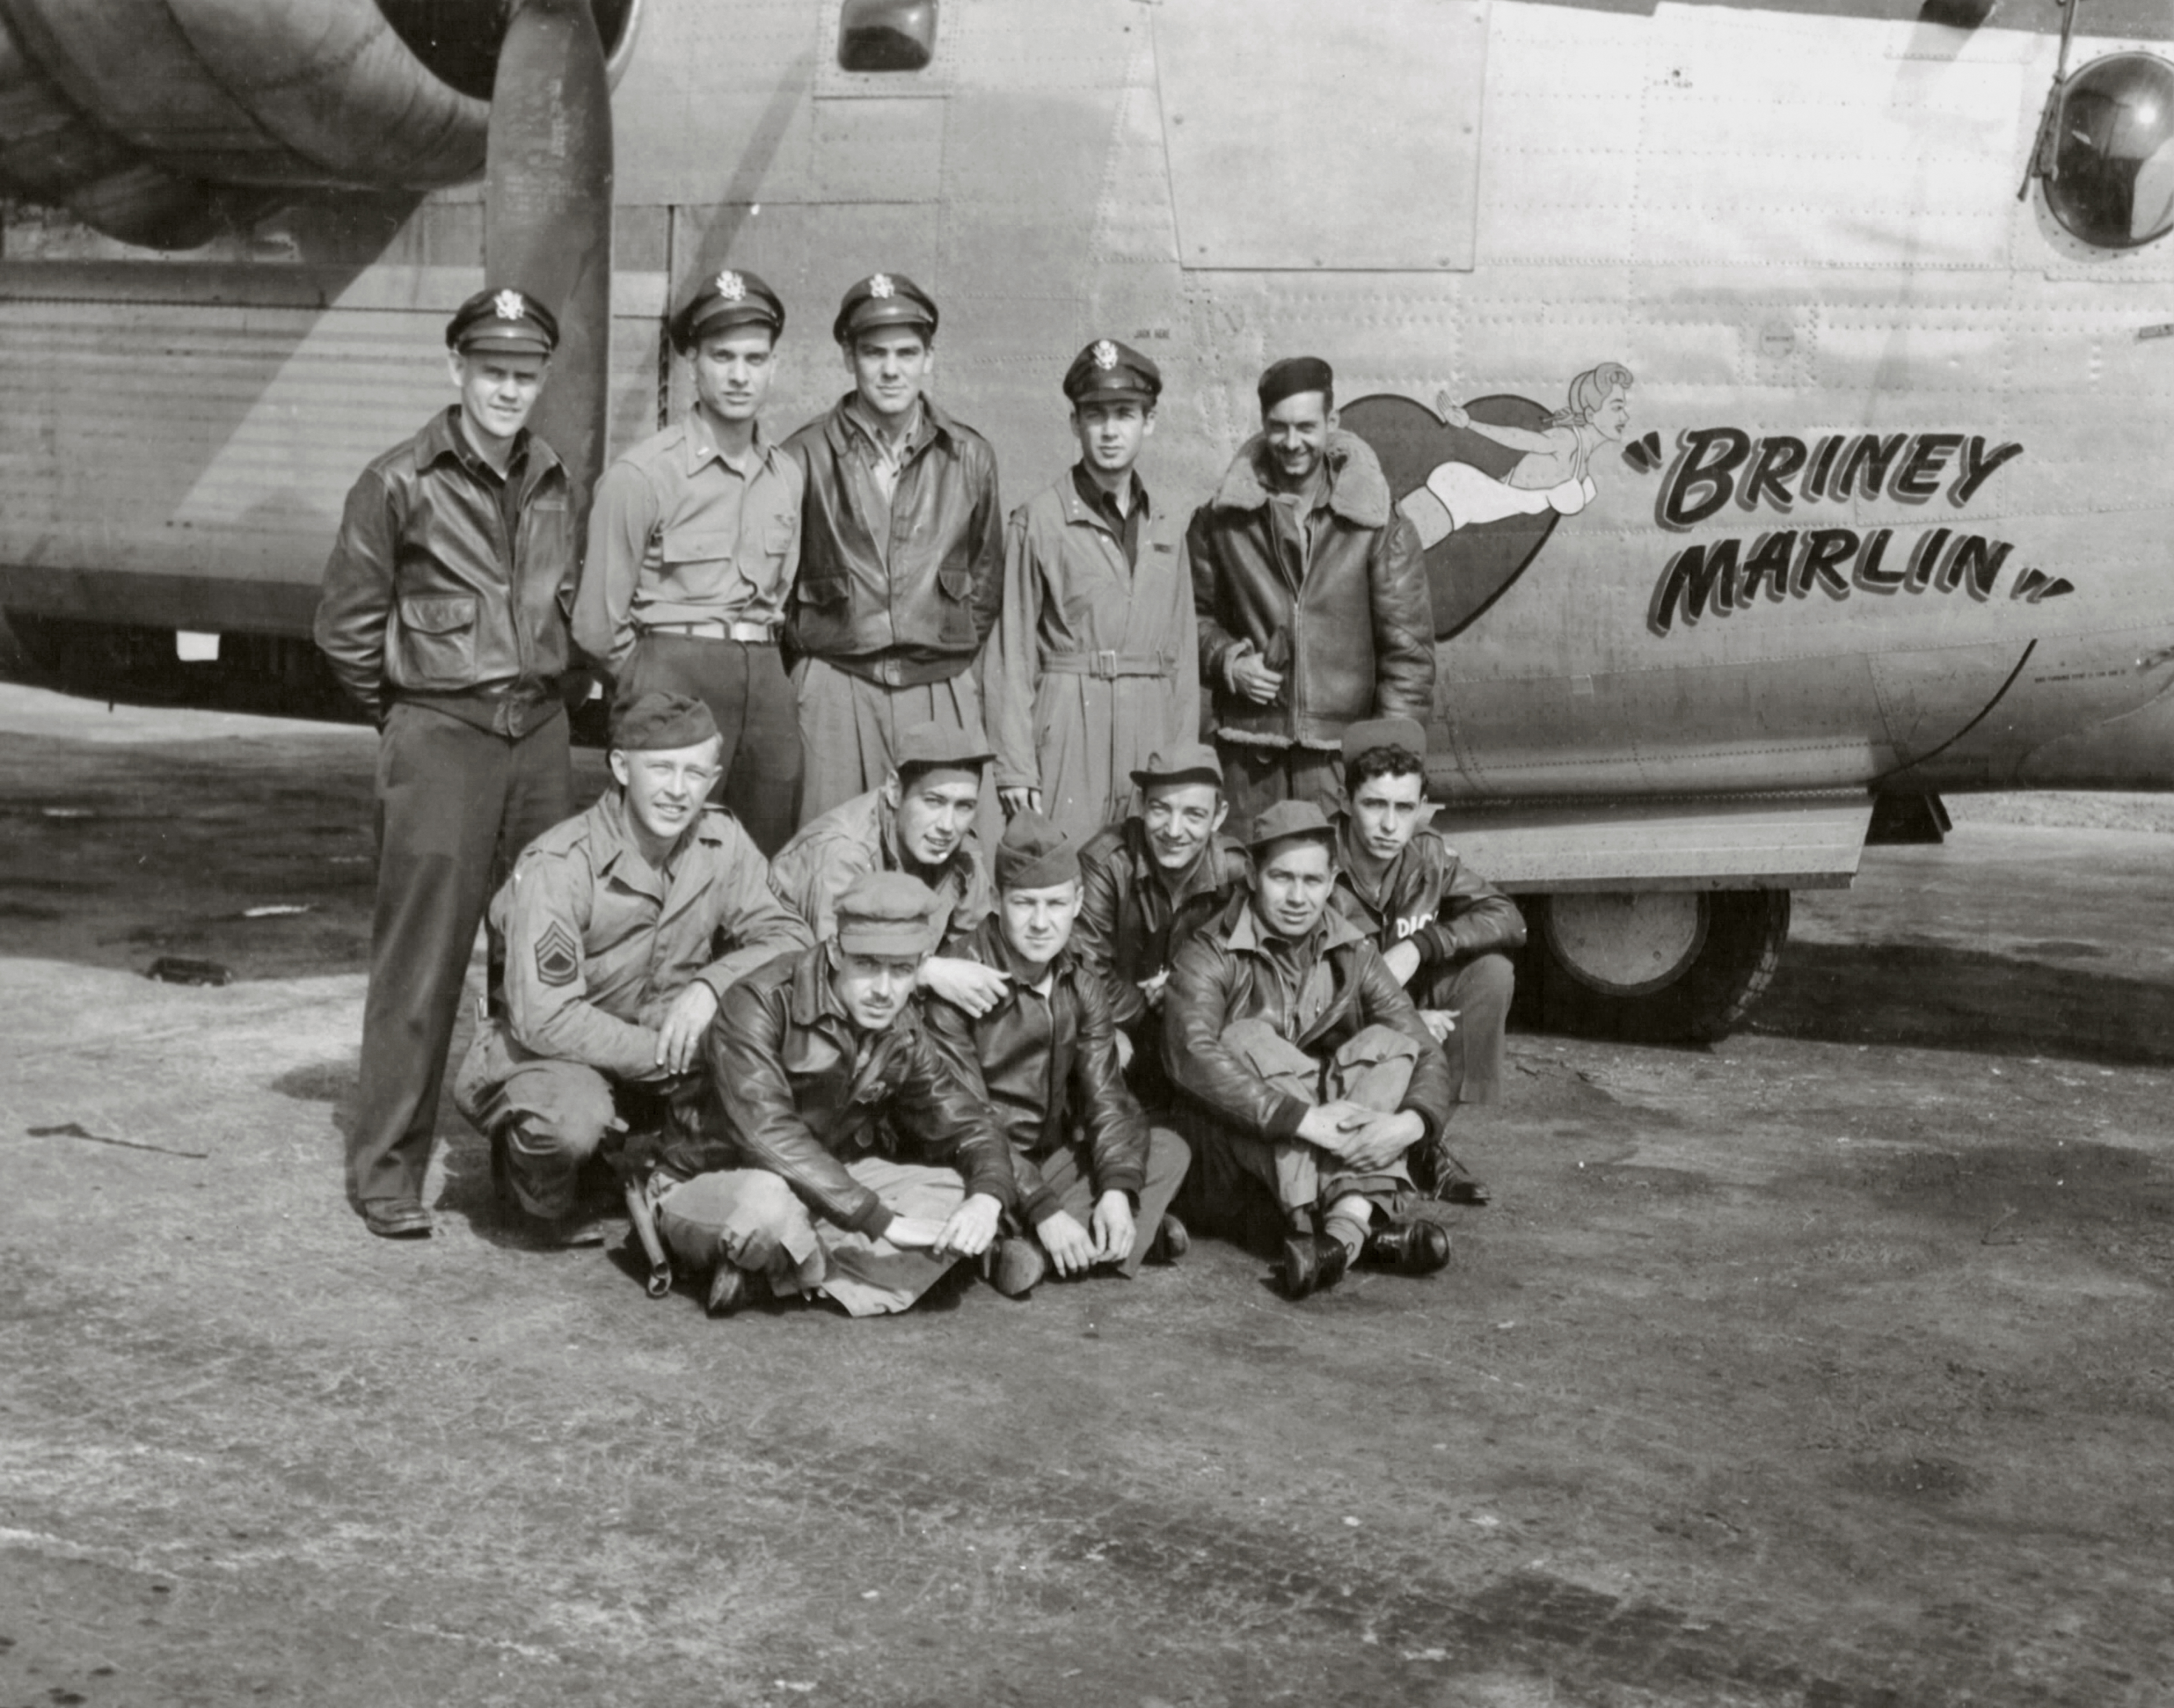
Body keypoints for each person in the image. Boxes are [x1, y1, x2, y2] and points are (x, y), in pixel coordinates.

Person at [314, 285, 581, 1239]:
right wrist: (413, 722)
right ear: (456, 371)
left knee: (538, 962)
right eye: (492, 372)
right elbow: (345, 627)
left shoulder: (553, 477)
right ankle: (387, 1170)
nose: (508, 390)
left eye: (524, 375)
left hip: (539, 738)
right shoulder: (399, 482)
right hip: (442, 739)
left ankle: (532, 1174)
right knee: (421, 965)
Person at [451, 690, 814, 1244]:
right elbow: (545, 1019)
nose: (677, 790)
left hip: (662, 1050)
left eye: (695, 773)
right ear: (621, 766)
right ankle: (535, 1188)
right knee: (572, 1121)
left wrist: (712, 987)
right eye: (661, 769)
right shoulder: (560, 865)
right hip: (556, 1056)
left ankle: (647, 1160)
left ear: (713, 778)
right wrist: (671, 1057)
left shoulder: (722, 840)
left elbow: (791, 938)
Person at [647, 871, 1015, 1318]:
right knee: (767, 1206)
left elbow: (971, 1124)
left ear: (919, 968)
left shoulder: (902, 1030)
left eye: (901, 970)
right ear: (837, 951)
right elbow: (768, 1136)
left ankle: (783, 1269)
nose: (884, 990)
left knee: (957, 1193)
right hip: (714, 1180)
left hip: (822, 1189)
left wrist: (987, 1199)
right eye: (867, 965)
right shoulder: (759, 1001)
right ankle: (812, 1262)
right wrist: (883, 1223)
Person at [1162, 800, 1454, 1300]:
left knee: (1389, 1045)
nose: (1298, 897)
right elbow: (1192, 1055)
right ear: (1252, 874)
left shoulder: (1354, 951)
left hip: (1318, 1141)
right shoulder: (1209, 949)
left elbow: (1423, 1049)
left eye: (1313, 881)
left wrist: (1408, 1126)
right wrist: (1305, 1120)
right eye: (1282, 878)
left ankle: (1336, 1240)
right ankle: (1360, 1226)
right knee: (1245, 1038)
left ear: (1333, 879)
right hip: (1232, 1155)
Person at [574, 268, 806, 854]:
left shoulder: (787, 477)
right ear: (691, 364)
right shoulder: (642, 474)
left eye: (755, 359)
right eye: (722, 356)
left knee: (763, 855)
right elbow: (596, 627)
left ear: (773, 367)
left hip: (763, 677)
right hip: (673, 673)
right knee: (660, 858)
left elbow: (779, 594)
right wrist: (653, 678)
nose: (738, 375)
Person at [924, 812, 1192, 1297]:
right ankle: (1091, 1236)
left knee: (1168, 1150)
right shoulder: (961, 983)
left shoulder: (1081, 983)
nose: (1042, 923)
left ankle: (1045, 1246)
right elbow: (966, 1120)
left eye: (1056, 904)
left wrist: (1115, 1188)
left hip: (1046, 1162)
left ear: (1079, 903)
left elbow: (1107, 1098)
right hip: (977, 1165)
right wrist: (1044, 1206)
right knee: (948, 1195)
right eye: (1025, 904)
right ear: (996, 901)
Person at [784, 272, 1004, 842]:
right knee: (826, 849)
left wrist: (941, 642)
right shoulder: (801, 455)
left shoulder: (970, 456)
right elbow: (778, 591)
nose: (891, 369)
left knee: (942, 853)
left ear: (929, 358)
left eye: (907, 353)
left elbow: (984, 579)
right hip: (836, 685)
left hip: (937, 685)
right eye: (873, 352)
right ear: (847, 356)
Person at [1188, 355, 1433, 830]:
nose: (1292, 443)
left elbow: (1409, 658)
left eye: (1306, 426)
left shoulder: (1379, 524)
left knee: (1340, 901)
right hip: (1248, 767)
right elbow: (1187, 619)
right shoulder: (1219, 521)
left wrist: (1383, 770)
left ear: (1332, 423)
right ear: (1263, 425)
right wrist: (1227, 662)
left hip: (1341, 769)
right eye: (1279, 428)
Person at [983, 338, 1198, 840]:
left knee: (1144, 874)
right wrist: (1015, 765)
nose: (1109, 430)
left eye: (1125, 414)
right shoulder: (1038, 521)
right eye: (1095, 415)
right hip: (1067, 725)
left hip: (1150, 728)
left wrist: (1184, 760)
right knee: (1064, 869)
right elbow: (1011, 656)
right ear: (1075, 423)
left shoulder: (1165, 526)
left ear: (1149, 422)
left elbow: (1182, 658)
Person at [1328, 717, 1525, 1199]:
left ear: (1421, 808)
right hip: (1336, 1018)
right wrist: (1409, 1018)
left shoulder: (1427, 856)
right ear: (1347, 802)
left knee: (1492, 974)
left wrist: (1422, 946)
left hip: (1402, 1005)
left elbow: (1509, 918)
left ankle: (1424, 1140)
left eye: (1404, 807)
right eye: (1374, 805)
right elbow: (1302, 982)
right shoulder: (1318, 864)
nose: (1390, 825)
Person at [768, 720, 1015, 1020]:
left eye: (964, 806)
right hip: (798, 1011)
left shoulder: (961, 853)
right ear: (895, 791)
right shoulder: (844, 853)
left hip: (886, 1005)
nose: (948, 826)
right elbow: (838, 966)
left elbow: (981, 947)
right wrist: (930, 971)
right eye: (934, 801)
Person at [1071, 742, 1250, 1098]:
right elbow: (1085, 974)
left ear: (1219, 816)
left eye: (1194, 815)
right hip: (1122, 1029)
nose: (1173, 830)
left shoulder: (1235, 872)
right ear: (1140, 806)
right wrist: (1163, 1007)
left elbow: (1250, 972)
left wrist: (1183, 992)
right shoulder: (1107, 863)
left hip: (1197, 1035)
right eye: (1160, 809)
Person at [1400, 363, 1635, 550]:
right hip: (1462, 496)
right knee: (1392, 547)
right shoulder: (1568, 441)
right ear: (1591, 414)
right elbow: (1519, 439)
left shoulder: (1584, 457)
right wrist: (1470, 424)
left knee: (1396, 553)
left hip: (1475, 508)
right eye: (1616, 408)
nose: (1625, 416)